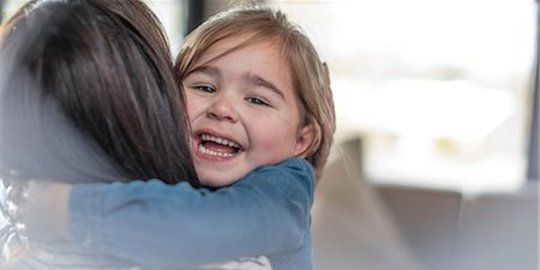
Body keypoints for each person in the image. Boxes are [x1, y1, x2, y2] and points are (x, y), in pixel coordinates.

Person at [2, 2, 335, 270]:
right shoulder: (172, 174)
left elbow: (204, 228)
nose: (222, 108)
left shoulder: (286, 187)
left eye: (257, 99)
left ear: (302, 141)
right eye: (204, 87)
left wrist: (69, 210)